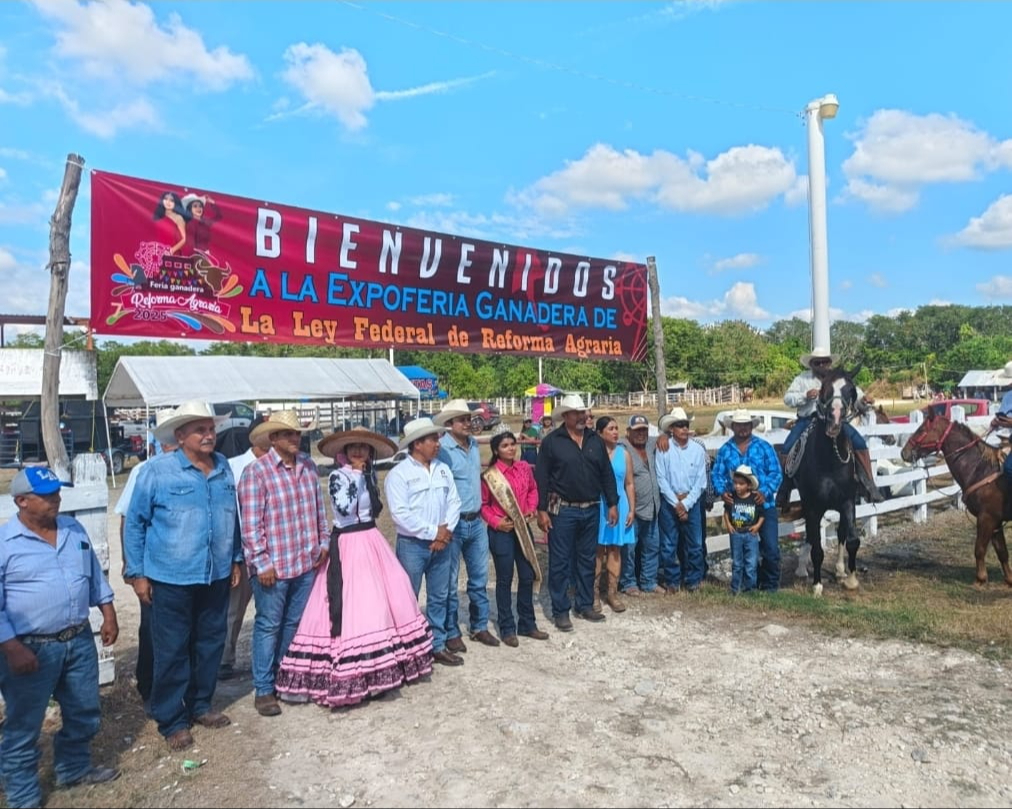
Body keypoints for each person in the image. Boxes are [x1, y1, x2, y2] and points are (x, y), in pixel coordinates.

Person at [276, 427, 434, 705]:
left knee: (385, 598)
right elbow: (344, 509)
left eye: (363, 447)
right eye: (353, 447)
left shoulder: (368, 474)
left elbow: (374, 510)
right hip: (349, 542)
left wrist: (364, 476)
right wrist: (358, 476)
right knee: (357, 603)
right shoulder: (339, 476)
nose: (358, 451)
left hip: (370, 538)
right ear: (345, 452)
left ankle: (380, 670)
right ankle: (354, 672)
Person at [124, 400, 242, 751]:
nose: (209, 435)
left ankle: (201, 705)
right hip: (171, 577)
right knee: (172, 649)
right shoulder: (156, 471)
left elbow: (230, 516)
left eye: (211, 428)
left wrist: (235, 558)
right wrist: (137, 573)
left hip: (215, 574)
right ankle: (172, 719)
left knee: (210, 643)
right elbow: (135, 523)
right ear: (180, 436)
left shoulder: (223, 467)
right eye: (200, 430)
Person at [1, 468, 120, 808]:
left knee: (84, 710)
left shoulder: (72, 529)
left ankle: (73, 769)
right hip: (30, 648)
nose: (56, 499)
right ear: (21, 501)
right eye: (46, 495)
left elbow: (92, 572)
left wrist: (108, 612)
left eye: (56, 492)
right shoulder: (5, 543)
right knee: (24, 725)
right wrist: (11, 647)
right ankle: (23, 796)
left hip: (78, 640)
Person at [237, 410, 329, 718]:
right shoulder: (257, 472)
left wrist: (323, 542)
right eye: (288, 434)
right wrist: (261, 562)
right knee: (268, 624)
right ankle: (264, 688)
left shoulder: (308, 466)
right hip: (274, 566)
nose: (295, 439)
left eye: (297, 433)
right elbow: (251, 525)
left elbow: (318, 510)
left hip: (304, 561)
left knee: (293, 622)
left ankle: (283, 675)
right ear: (273, 438)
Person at [534, 394, 618, 632]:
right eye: (577, 413)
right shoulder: (552, 442)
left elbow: (606, 473)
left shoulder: (595, 440)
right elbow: (541, 477)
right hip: (562, 509)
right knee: (560, 561)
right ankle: (561, 611)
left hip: (591, 507)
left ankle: (584, 604)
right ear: (566, 416)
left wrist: (612, 503)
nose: (582, 417)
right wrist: (541, 510)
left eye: (584, 412)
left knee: (587, 559)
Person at [386, 418, 463, 666]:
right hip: (413, 545)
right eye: (432, 439)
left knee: (439, 596)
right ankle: (408, 648)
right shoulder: (399, 474)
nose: (438, 443)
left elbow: (454, 502)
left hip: (442, 543)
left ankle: (437, 644)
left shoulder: (443, 469)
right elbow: (400, 514)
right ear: (417, 444)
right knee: (408, 596)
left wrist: (445, 532)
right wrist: (434, 533)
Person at [114, 407, 176, 712]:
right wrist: (132, 565)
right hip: (154, 567)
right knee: (152, 628)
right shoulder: (145, 471)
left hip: (186, 570)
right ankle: (149, 687)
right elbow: (129, 519)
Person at [780, 347, 883, 506]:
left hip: (833, 419)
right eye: (818, 362)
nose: (822, 365)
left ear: (829, 363)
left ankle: (869, 484)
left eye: (825, 362)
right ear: (812, 364)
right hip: (808, 420)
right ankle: (784, 489)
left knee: (860, 443)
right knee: (787, 447)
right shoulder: (802, 379)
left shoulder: (837, 378)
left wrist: (863, 400)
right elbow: (787, 399)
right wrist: (805, 395)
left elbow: (851, 392)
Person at [435, 400, 498, 651]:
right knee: (450, 581)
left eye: (468, 418)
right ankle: (451, 630)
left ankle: (479, 625)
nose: (467, 423)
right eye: (461, 419)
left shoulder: (473, 445)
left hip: (475, 518)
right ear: (450, 423)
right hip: (455, 521)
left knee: (479, 577)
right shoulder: (442, 449)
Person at [480, 431, 549, 646]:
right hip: (502, 530)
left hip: (522, 527)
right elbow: (483, 505)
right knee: (505, 578)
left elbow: (533, 489)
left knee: (527, 575)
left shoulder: (524, 468)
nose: (511, 448)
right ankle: (507, 627)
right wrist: (496, 522)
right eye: (505, 445)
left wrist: (531, 508)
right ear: (496, 450)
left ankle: (527, 623)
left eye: (513, 444)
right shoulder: (490, 476)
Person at [219, 422, 271, 682]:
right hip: (241, 550)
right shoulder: (233, 466)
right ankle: (223, 660)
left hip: (271, 551)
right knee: (233, 608)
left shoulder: (279, 467)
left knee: (268, 611)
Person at [711, 409, 783, 593]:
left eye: (746, 425)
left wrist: (765, 491)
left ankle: (770, 585)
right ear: (733, 427)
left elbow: (776, 473)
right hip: (738, 508)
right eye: (739, 425)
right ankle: (748, 583)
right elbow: (717, 474)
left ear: (751, 426)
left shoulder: (764, 447)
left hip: (763, 504)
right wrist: (722, 492)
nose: (742, 428)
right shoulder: (726, 450)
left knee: (770, 548)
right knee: (742, 549)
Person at [655, 407, 708, 592]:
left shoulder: (697, 449)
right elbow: (661, 479)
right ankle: (672, 581)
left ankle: (693, 580)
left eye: (686, 425)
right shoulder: (663, 448)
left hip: (691, 500)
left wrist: (685, 503)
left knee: (695, 544)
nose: (684, 429)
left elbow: (701, 481)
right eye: (679, 425)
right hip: (670, 501)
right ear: (671, 429)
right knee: (669, 544)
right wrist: (676, 502)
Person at [593, 416, 636, 613]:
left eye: (617, 428)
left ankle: (612, 592)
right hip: (599, 504)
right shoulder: (594, 452)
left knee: (615, 549)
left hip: (620, 504)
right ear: (600, 432)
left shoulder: (624, 454)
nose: (615, 432)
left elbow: (629, 483)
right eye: (610, 429)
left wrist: (632, 509)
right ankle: (594, 593)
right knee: (597, 549)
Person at [618, 415, 663, 596]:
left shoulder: (651, 444)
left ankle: (649, 581)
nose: (641, 433)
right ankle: (628, 582)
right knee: (629, 549)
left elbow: (663, 437)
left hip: (653, 507)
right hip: (632, 509)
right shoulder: (622, 448)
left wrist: (664, 436)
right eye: (636, 430)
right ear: (628, 431)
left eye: (644, 430)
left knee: (652, 547)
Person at [723, 465, 764, 594]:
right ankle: (735, 588)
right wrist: (728, 525)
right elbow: (726, 513)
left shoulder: (754, 499)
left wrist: (757, 526)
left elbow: (762, 515)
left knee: (751, 563)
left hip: (750, 533)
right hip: (736, 532)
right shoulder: (732, 497)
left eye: (741, 484)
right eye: (735, 483)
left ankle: (750, 588)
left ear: (749, 485)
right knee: (737, 563)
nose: (737, 486)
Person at [990, 361, 1012, 480]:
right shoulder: (1008, 396)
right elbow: (1002, 413)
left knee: (1009, 467)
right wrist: (996, 421)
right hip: (1006, 438)